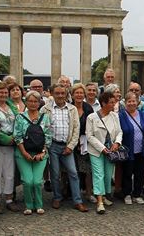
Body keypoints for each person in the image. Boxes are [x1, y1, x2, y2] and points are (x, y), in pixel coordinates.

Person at [40, 84, 88, 213]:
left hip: (67, 146)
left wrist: (71, 146)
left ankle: (78, 201)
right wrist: (47, 145)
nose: (60, 96)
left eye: (63, 93)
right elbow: (41, 128)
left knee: (73, 173)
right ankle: (57, 197)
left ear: (67, 94)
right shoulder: (45, 109)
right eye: (57, 93)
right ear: (52, 94)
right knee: (55, 174)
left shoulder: (72, 109)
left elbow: (76, 130)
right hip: (53, 145)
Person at [13, 91, 52, 215]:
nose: (33, 103)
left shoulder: (45, 117)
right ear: (26, 102)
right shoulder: (20, 117)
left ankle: (39, 204)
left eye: (36, 101)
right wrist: (24, 153)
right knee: (28, 180)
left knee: (37, 181)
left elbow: (48, 136)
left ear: (39, 103)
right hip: (23, 153)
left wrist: (43, 152)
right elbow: (17, 136)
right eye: (30, 101)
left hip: (41, 154)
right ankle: (29, 205)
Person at [86, 92, 123, 214]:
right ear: (103, 103)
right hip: (96, 151)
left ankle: (106, 196)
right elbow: (89, 136)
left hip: (111, 151)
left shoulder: (114, 116)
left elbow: (119, 132)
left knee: (108, 175)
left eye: (114, 102)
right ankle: (100, 201)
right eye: (111, 102)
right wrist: (102, 148)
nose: (114, 104)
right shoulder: (91, 117)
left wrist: (117, 143)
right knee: (98, 175)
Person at [0, 82, 20, 214]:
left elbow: (18, 122)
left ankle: (9, 199)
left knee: (10, 173)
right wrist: (5, 138)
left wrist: (14, 137)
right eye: (0, 92)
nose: (3, 95)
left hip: (12, 144)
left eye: (5, 93)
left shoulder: (11, 106)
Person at [119, 92, 144, 205]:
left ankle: (137, 194)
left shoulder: (142, 114)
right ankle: (127, 193)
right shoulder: (121, 115)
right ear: (125, 103)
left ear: (137, 102)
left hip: (141, 150)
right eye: (129, 101)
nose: (132, 103)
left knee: (140, 173)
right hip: (128, 150)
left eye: (134, 101)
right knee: (127, 173)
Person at [71, 83, 96, 203]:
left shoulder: (88, 108)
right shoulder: (69, 107)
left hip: (85, 141)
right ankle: (68, 191)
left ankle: (89, 193)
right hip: (71, 141)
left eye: (81, 93)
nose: (79, 95)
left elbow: (92, 125)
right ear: (72, 95)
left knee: (87, 169)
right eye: (77, 93)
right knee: (70, 169)